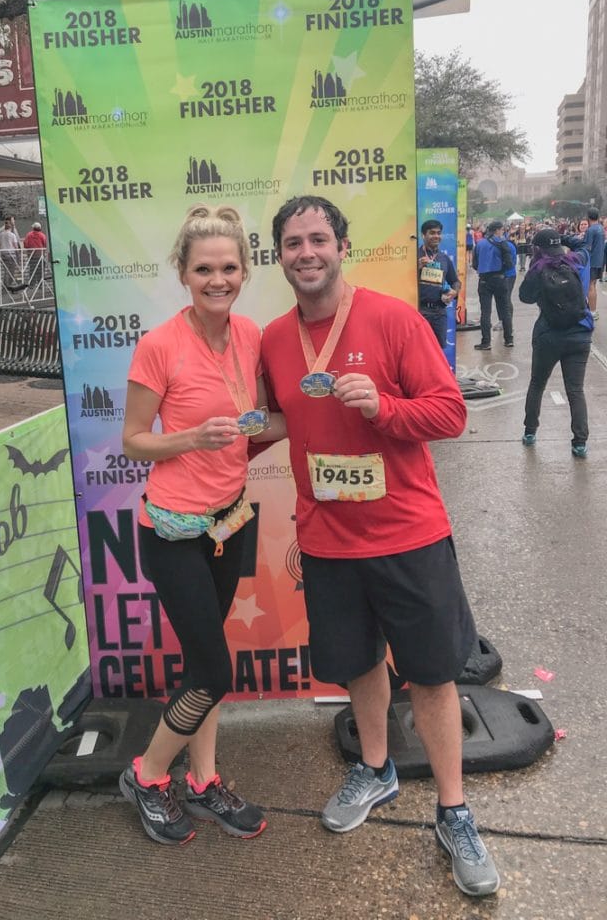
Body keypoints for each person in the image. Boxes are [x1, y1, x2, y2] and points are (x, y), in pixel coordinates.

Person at [260, 194, 500, 898]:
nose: (306, 252)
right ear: (279, 255)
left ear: (342, 246)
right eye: (292, 243)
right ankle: (376, 767)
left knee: (430, 673)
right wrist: (214, 441)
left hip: (407, 532)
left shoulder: (393, 318)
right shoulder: (274, 339)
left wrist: (387, 408)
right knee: (358, 663)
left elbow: (450, 410)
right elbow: (278, 418)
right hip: (328, 538)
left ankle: (453, 812)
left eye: (317, 239)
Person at [119, 204, 279, 846]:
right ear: (183, 274)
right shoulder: (160, 344)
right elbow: (133, 442)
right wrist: (189, 437)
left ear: (245, 271)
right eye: (204, 268)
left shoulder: (250, 337)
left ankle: (204, 780)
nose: (219, 279)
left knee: (202, 663)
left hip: (229, 520)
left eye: (230, 267)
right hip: (173, 532)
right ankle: (149, 774)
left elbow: (256, 427)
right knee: (214, 670)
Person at [519, 228, 593, 458]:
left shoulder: (537, 269)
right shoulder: (577, 261)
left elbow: (525, 297)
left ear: (537, 249)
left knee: (537, 383)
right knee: (576, 389)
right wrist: (565, 238)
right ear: (559, 244)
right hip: (580, 333)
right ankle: (579, 442)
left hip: (548, 335)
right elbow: (584, 247)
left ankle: (530, 431)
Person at [417, 219, 460, 349]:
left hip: (439, 312)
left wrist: (454, 292)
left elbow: (455, 281)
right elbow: (401, 280)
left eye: (438, 233)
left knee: (438, 351)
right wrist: (417, 267)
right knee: (420, 350)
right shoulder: (415, 256)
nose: (436, 236)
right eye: (432, 233)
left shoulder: (444, 258)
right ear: (423, 235)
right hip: (419, 311)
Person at [472, 219, 513, 350]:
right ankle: (508, 340)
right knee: (504, 310)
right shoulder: (503, 244)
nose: (503, 232)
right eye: (502, 230)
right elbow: (510, 264)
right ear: (496, 230)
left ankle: (486, 342)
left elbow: (475, 264)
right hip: (500, 279)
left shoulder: (479, 244)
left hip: (484, 280)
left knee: (485, 312)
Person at [582, 208, 605, 320]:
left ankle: (591, 312)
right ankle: (593, 310)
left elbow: (587, 247)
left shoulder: (591, 230)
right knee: (593, 286)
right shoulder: (601, 228)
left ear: (589, 217)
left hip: (591, 262)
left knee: (590, 286)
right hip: (599, 261)